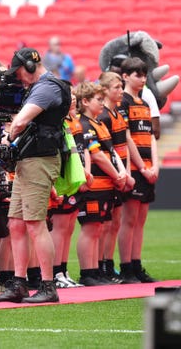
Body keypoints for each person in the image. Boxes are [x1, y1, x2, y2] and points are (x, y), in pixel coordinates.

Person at [0, 47, 70, 304]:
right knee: (16, 222)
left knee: (34, 223)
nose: (19, 78)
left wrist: (7, 137)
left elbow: (21, 121)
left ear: (30, 66)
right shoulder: (41, 87)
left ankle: (47, 285)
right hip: (29, 158)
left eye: (19, 72)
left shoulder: (47, 87)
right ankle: (19, 283)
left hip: (39, 159)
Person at [74, 81, 126, 286]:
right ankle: (88, 272)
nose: (103, 104)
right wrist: (117, 175)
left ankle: (97, 271)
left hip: (106, 185)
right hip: (93, 186)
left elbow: (110, 152)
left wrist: (120, 174)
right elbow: (97, 156)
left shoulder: (99, 123)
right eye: (99, 100)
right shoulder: (84, 124)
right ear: (85, 102)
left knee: (99, 228)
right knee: (90, 228)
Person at [117, 57, 159, 283]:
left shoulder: (144, 104)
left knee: (140, 220)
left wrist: (155, 165)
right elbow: (126, 137)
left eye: (144, 75)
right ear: (125, 76)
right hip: (134, 168)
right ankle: (126, 268)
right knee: (129, 219)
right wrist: (142, 167)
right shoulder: (123, 102)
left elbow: (151, 136)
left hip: (148, 169)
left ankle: (136, 264)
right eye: (137, 75)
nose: (142, 79)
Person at [98, 72, 135, 284]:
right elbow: (106, 151)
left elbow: (124, 147)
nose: (121, 91)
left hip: (120, 173)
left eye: (121, 87)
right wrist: (119, 174)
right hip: (109, 176)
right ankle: (100, 266)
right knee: (104, 223)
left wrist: (127, 172)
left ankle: (108, 264)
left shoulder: (118, 113)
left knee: (115, 222)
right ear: (105, 91)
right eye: (116, 88)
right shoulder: (103, 116)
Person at [50, 84, 88, 288]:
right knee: (60, 227)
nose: (73, 98)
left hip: (75, 180)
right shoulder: (58, 123)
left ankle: (63, 270)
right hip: (64, 181)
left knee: (69, 227)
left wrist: (84, 171)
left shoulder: (75, 121)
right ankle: (55, 273)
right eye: (68, 95)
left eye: (73, 94)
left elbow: (80, 151)